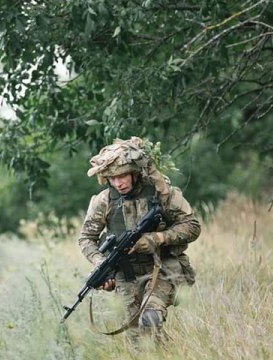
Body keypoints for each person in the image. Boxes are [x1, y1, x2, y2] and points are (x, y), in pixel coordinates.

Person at [78, 137, 201, 340]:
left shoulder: (161, 193)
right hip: (126, 275)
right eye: (112, 178)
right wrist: (102, 265)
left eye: (123, 176)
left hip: (163, 267)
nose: (118, 182)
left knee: (151, 317)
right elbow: (86, 238)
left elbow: (192, 226)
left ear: (134, 173)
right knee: (137, 339)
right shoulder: (104, 201)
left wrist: (157, 238)